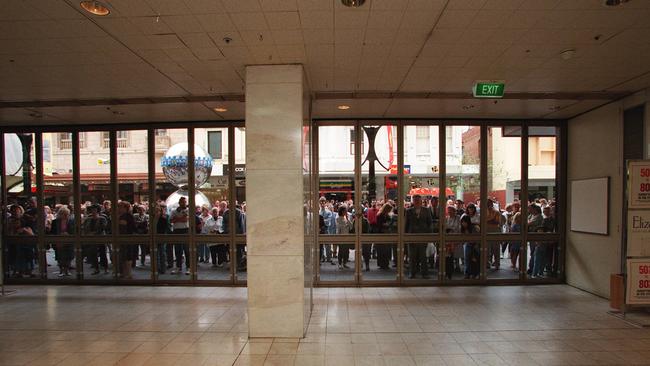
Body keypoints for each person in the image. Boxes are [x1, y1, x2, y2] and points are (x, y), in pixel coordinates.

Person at [404, 195, 433, 279]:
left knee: (423, 256)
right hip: (411, 237)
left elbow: (430, 223)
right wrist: (405, 236)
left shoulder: (426, 210)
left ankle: (425, 273)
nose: (416, 202)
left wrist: (429, 235)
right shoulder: (409, 211)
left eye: (418, 200)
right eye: (415, 200)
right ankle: (412, 273)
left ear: (421, 201)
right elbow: (406, 224)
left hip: (423, 236)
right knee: (412, 256)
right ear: (413, 201)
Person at [82, 204, 109, 275]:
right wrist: (87, 234)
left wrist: (94, 233)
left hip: (100, 238)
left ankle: (105, 268)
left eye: (95, 209)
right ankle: (96, 268)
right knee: (93, 254)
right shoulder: (88, 219)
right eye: (92, 209)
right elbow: (84, 227)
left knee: (103, 253)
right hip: (91, 238)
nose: (93, 211)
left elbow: (103, 227)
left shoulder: (102, 218)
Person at [50, 206, 75, 277]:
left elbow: (74, 231)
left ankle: (67, 270)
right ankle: (61, 270)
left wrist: (68, 234)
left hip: (68, 241)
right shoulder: (55, 222)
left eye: (67, 214)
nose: (66, 216)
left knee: (68, 256)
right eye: (64, 214)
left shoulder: (71, 221)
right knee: (60, 256)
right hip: (58, 241)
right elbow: (52, 232)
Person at [170, 197, 190, 275]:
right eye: (182, 202)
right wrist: (181, 218)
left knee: (187, 250)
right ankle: (178, 267)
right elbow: (171, 220)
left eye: (185, 202)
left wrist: (177, 218)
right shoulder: (174, 211)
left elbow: (185, 219)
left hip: (185, 230)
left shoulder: (188, 210)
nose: (184, 203)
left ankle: (189, 267)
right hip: (176, 231)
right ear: (179, 202)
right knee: (178, 250)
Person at [117, 201, 136, 279]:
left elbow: (124, 226)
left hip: (127, 238)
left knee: (128, 256)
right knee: (123, 256)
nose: (118, 208)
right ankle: (124, 273)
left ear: (125, 208)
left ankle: (128, 273)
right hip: (122, 239)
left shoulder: (128, 216)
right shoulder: (121, 216)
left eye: (120, 206)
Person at [461, 215, 479, 279]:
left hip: (474, 245)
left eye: (464, 222)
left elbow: (476, 237)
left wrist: (475, 245)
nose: (463, 224)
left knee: (474, 260)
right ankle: (467, 273)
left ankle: (474, 273)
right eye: (462, 222)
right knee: (467, 260)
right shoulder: (463, 229)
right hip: (467, 244)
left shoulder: (473, 228)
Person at [335, 205, 353, 269]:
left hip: (347, 237)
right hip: (341, 237)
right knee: (341, 251)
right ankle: (340, 263)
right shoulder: (338, 219)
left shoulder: (347, 218)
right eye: (345, 211)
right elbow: (338, 228)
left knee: (346, 251)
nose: (346, 212)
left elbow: (351, 227)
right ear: (342, 211)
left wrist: (348, 220)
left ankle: (345, 262)